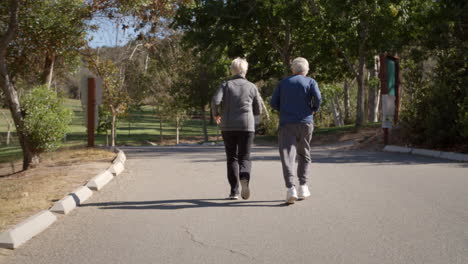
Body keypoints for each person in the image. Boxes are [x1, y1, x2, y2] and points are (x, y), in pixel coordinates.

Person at [270, 57, 322, 204]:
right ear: (306, 70)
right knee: (304, 153)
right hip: (306, 122)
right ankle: (303, 186)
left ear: (293, 69)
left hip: (287, 124)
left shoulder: (283, 83)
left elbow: (273, 103)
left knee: (288, 156)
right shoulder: (311, 82)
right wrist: (313, 110)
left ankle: (290, 188)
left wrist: (284, 109)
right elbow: (318, 98)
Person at [212, 58, 262, 200]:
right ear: (245, 70)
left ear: (232, 70)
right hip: (247, 126)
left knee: (231, 158)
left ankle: (234, 191)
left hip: (228, 126)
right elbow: (258, 109)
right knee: (244, 156)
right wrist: (255, 119)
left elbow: (215, 101)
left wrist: (216, 114)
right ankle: (244, 177)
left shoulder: (225, 85)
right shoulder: (252, 86)